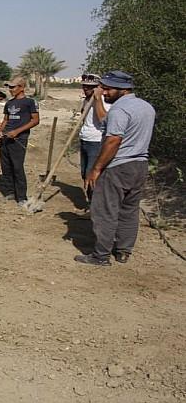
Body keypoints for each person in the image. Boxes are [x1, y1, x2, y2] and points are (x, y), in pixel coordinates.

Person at [75, 71, 155, 266]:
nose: (104, 92)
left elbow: (113, 141)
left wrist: (96, 168)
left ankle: (101, 255)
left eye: (108, 89)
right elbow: (108, 124)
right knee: (129, 210)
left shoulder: (120, 110)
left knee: (105, 211)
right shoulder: (146, 107)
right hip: (140, 165)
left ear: (123, 89)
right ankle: (123, 251)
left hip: (118, 166)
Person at [0, 76, 40, 206]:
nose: (10, 89)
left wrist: (17, 132)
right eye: (9, 87)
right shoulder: (9, 103)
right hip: (5, 139)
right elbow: (6, 120)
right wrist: (0, 131)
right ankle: (10, 192)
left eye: (13, 87)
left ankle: (21, 197)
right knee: (6, 167)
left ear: (21, 87)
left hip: (18, 140)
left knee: (17, 167)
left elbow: (35, 120)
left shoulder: (30, 102)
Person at [77, 73, 111, 206]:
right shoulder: (86, 100)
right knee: (84, 173)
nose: (86, 89)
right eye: (84, 86)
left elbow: (103, 119)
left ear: (99, 87)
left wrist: (97, 99)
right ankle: (91, 201)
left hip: (96, 142)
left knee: (91, 175)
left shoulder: (104, 101)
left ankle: (95, 205)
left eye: (90, 87)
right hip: (84, 139)